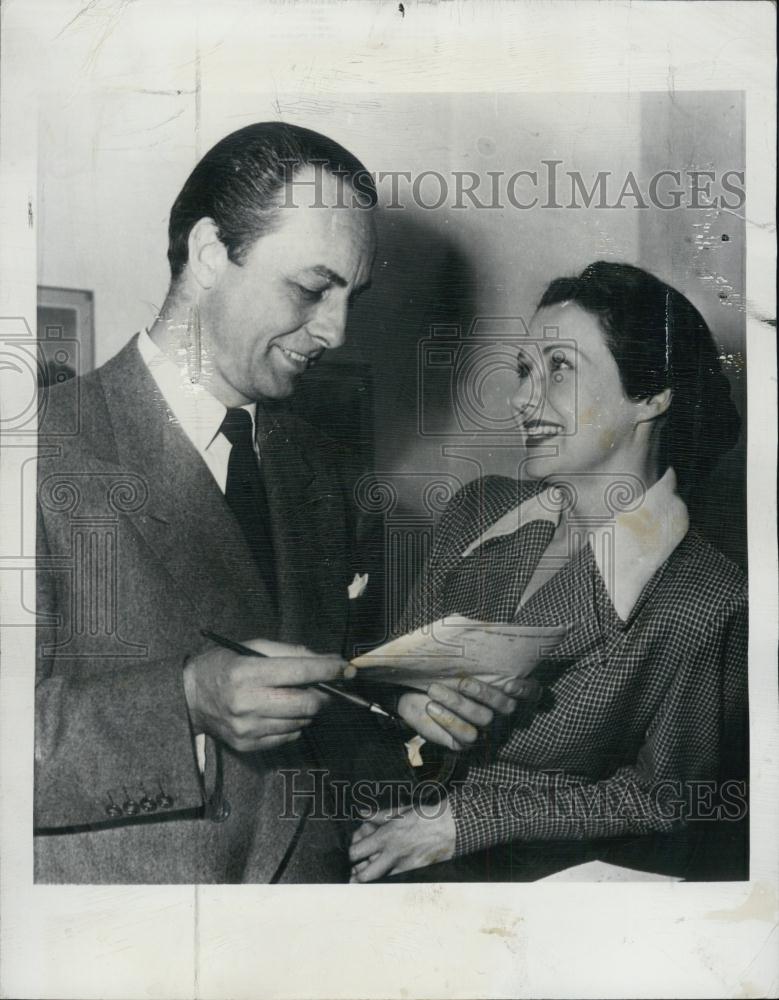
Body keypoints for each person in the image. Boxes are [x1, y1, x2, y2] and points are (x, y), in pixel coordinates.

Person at [34, 122, 536, 884]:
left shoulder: (322, 471)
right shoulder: (36, 455)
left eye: (350, 297)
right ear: (209, 254)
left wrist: (392, 706)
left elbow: (310, 689)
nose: (335, 330)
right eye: (310, 288)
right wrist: (183, 701)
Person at [349, 261, 748, 882]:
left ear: (651, 395)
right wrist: (407, 700)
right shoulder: (476, 506)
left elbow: (663, 798)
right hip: (373, 822)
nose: (520, 399)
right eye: (524, 371)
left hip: (531, 886)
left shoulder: (708, 597)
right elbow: (383, 670)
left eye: (559, 368)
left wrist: (464, 823)